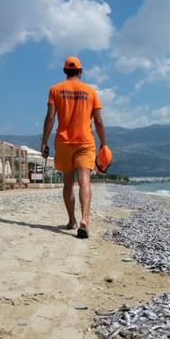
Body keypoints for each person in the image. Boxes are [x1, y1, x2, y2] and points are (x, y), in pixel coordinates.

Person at [41, 56, 106, 239]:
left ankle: (72, 221)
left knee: (68, 182)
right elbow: (99, 121)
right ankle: (85, 219)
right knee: (85, 180)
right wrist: (104, 143)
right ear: (80, 71)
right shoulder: (91, 92)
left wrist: (44, 141)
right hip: (85, 141)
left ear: (64, 71)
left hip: (63, 141)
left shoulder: (55, 90)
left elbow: (50, 118)